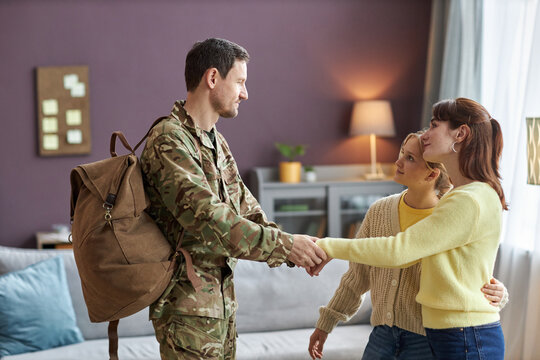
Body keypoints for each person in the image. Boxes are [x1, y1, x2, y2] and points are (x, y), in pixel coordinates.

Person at [140, 38, 326, 359]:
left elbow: (247, 211)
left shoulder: (216, 142)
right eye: (240, 81)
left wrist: (297, 248)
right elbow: (209, 219)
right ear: (212, 79)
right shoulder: (169, 140)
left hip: (221, 312)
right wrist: (284, 245)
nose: (245, 93)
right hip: (187, 317)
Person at [312, 98, 507, 359]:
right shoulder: (460, 197)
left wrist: (324, 245)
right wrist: (327, 322)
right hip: (440, 333)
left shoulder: (465, 199)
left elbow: (398, 251)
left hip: (453, 334)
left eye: (434, 126)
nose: (426, 135)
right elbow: (357, 278)